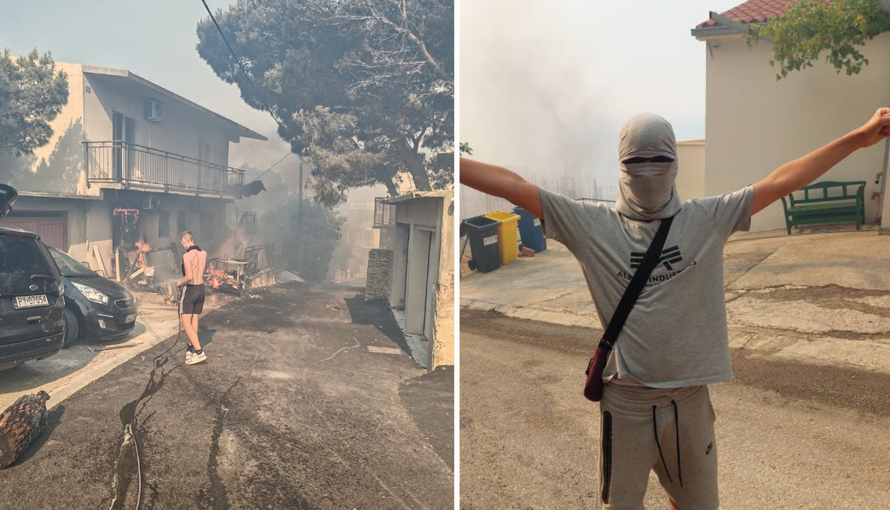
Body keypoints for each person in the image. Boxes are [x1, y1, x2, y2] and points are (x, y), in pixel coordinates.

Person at [460, 108, 890, 510]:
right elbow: (507, 181)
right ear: (622, 165)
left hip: (689, 402)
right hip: (626, 406)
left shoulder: (703, 219)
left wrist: (858, 137)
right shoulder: (597, 225)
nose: (648, 171)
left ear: (674, 163)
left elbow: (785, 179)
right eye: (638, 162)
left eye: (658, 159)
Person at [177, 231, 208, 365]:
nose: (183, 246)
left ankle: (199, 352)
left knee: (185, 322)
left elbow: (189, 276)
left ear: (184, 241)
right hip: (201, 288)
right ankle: (190, 350)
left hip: (191, 290)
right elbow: (203, 270)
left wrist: (179, 283)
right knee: (195, 319)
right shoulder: (204, 253)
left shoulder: (187, 255)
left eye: (182, 243)